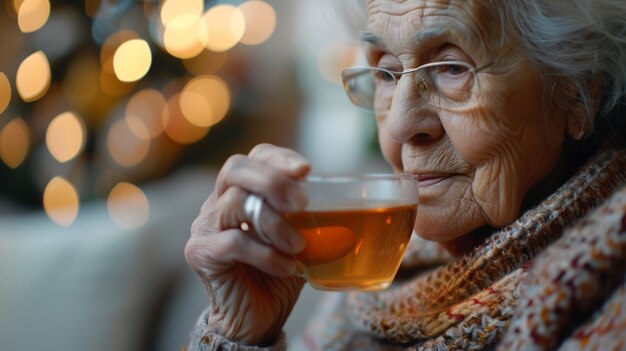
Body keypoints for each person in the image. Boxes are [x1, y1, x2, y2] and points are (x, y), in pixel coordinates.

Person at [184, 0, 626, 349]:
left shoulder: (609, 304)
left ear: (577, 93)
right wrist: (238, 334)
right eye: (387, 73)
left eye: (452, 67)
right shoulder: (380, 284)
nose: (399, 125)